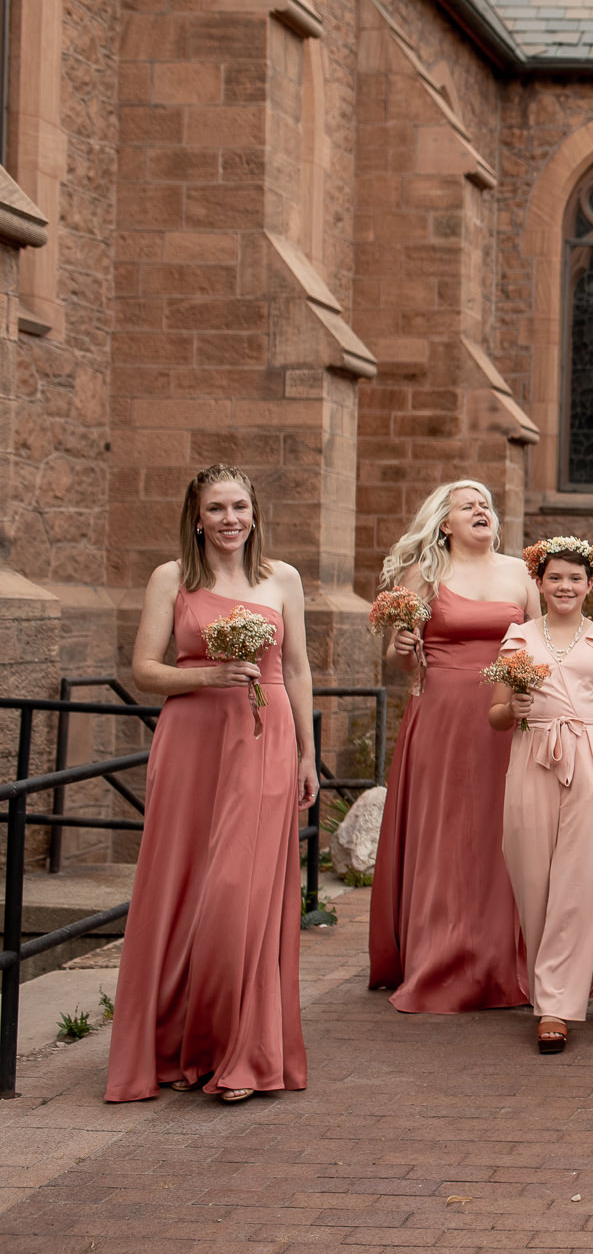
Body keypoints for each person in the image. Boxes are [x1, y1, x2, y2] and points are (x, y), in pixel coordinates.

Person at [107, 464, 318, 1103]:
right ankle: (177, 1046)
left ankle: (241, 1053)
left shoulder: (282, 578)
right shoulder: (171, 579)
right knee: (180, 887)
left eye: (241, 507)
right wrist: (209, 674)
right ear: (196, 516)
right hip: (191, 742)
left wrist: (311, 755)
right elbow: (145, 670)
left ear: (256, 512)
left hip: (265, 738)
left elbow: (300, 669)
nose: (231, 520)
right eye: (217, 509)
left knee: (241, 891)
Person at [368, 480, 538, 1014]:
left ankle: (501, 958)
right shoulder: (424, 575)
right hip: (442, 712)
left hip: (509, 714)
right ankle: (438, 956)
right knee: (445, 829)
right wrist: (397, 646)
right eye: (469, 506)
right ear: (445, 523)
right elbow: (402, 662)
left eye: (486, 505)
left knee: (503, 828)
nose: (481, 511)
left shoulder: (520, 572)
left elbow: (540, 639)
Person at [490, 537, 593, 1054]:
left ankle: (556, 1008)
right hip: (532, 755)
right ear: (540, 583)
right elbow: (495, 714)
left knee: (579, 883)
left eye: (575, 578)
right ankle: (545, 989)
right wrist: (517, 708)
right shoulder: (518, 639)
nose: (565, 586)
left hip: (591, 759)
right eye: (555, 578)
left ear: (590, 584)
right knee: (532, 878)